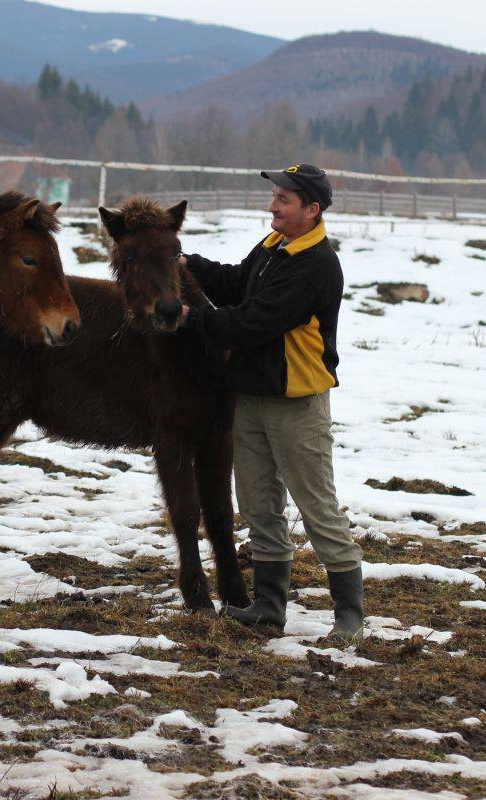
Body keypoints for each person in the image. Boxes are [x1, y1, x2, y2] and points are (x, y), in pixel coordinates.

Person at [178, 164, 364, 643]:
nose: (272, 206)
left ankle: (349, 614)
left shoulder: (315, 264)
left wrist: (190, 317)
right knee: (258, 504)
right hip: (252, 398)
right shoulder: (275, 245)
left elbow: (253, 322)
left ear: (312, 209)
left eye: (283, 199)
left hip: (296, 404)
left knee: (317, 506)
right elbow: (238, 283)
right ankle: (268, 607)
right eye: (274, 196)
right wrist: (190, 264)